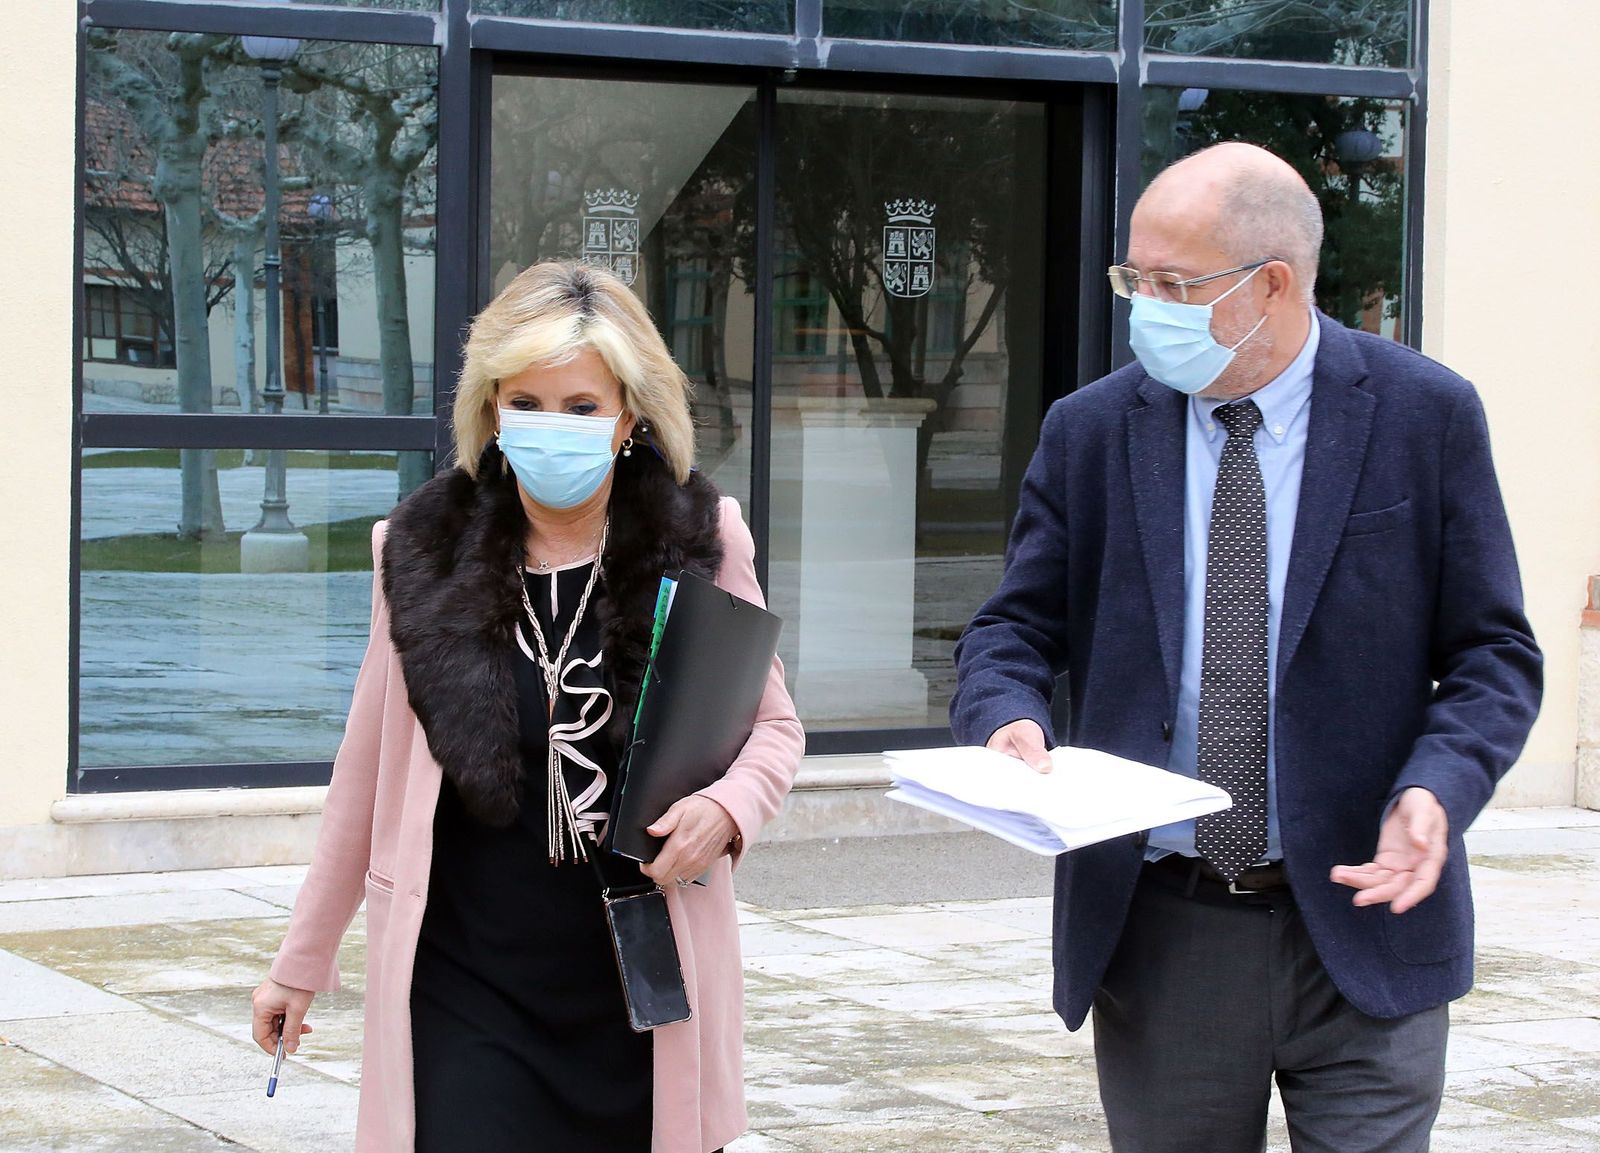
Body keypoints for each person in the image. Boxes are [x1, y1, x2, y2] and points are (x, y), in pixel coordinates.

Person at [951, 142, 1541, 1152]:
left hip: (1365, 915)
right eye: (1132, 279)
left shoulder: (1423, 414)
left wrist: (1435, 788)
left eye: (1173, 284)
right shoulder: (1090, 431)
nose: (1145, 307)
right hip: (1165, 925)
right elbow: (1012, 627)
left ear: (1272, 284)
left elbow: (1493, 655)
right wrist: (1006, 714)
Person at [250, 261, 805, 1153]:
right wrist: (300, 963)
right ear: (492, 410)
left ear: (629, 414)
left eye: (581, 406)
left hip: (633, 974)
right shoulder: (423, 552)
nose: (554, 426)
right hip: (467, 979)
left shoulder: (697, 539)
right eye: (528, 401)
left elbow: (772, 729)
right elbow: (364, 776)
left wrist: (726, 808)